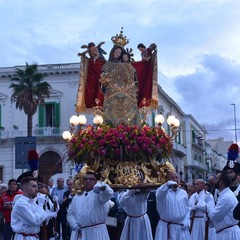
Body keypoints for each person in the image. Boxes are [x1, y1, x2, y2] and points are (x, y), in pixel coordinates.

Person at [100, 45, 140, 125]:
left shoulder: (124, 64)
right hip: (111, 91)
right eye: (116, 52)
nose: (118, 54)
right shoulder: (108, 64)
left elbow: (132, 75)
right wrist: (105, 81)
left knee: (126, 111)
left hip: (124, 91)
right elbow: (103, 77)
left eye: (119, 52)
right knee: (110, 111)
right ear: (113, 52)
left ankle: (127, 124)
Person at [67, 171, 114, 240]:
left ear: (95, 181)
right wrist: (74, 224)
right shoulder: (77, 197)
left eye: (91, 179)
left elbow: (109, 193)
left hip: (97, 232)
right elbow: (70, 213)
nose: (88, 181)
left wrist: (102, 186)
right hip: (82, 233)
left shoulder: (100, 195)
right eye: (86, 179)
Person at [155, 171, 191, 240]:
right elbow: (160, 195)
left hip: (181, 228)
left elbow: (187, 209)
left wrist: (186, 222)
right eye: (172, 178)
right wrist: (167, 185)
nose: (174, 179)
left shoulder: (183, 193)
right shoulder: (162, 192)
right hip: (166, 228)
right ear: (167, 180)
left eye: (176, 177)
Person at [206, 171, 240, 239]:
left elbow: (215, 216)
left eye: (216, 178)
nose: (214, 180)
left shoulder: (226, 197)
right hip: (225, 232)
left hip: (228, 234)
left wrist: (209, 203)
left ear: (220, 182)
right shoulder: (224, 195)